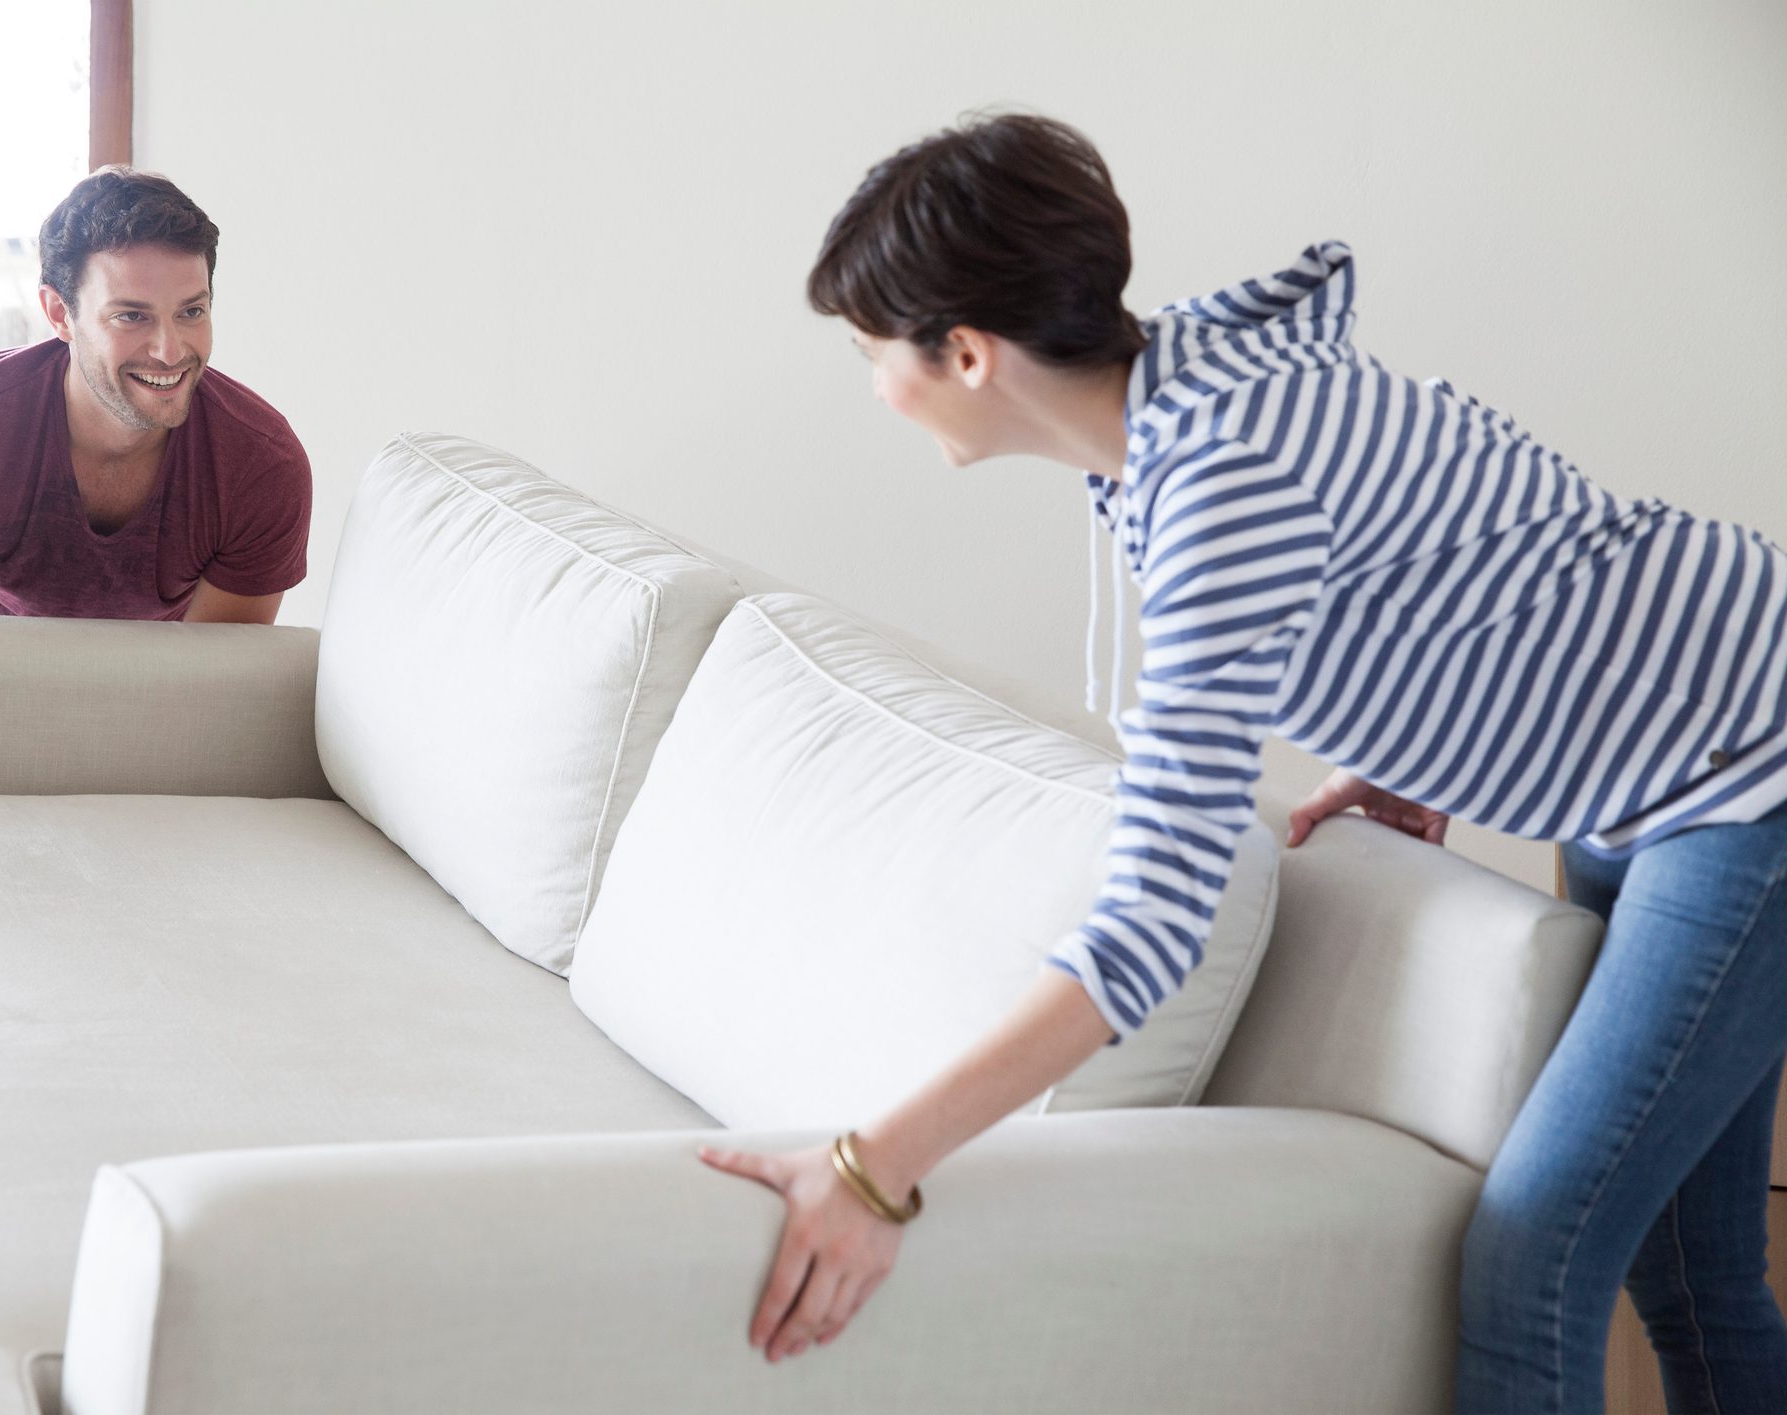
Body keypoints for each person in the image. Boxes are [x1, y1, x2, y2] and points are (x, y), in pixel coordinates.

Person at [698, 112, 1787, 1413]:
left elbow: (1157, 917)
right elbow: (1484, 526)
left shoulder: (1219, 483)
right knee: (1689, 1259)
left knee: (1532, 1255)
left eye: (876, 354)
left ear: (970, 353)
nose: (876, 386)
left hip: (1744, 780)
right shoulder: (1210, 384)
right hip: (1669, 754)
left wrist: (875, 1165)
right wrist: (1421, 737)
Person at [0, 167, 313, 622]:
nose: (170, 350)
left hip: (158, 690)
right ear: (60, 314)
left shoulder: (261, 466)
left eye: (191, 311)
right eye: (131, 317)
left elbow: (213, 685)